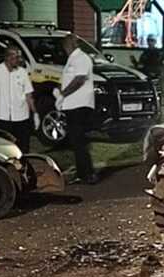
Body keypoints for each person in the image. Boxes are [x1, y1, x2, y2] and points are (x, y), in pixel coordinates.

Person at [54, 34, 98, 184]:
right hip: (71, 105)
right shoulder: (71, 60)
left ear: (71, 44)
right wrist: (59, 93)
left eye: (65, 45)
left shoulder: (81, 58)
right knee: (76, 141)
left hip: (80, 105)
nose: (64, 48)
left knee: (79, 140)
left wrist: (63, 94)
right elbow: (65, 80)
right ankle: (82, 173)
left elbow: (79, 80)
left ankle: (89, 174)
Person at [0, 47, 39, 153]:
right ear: (8, 57)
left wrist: (35, 113)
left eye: (19, 57)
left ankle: (23, 168)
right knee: (4, 148)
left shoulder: (22, 72)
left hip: (22, 118)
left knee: (23, 148)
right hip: (3, 118)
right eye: (16, 57)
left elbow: (28, 95)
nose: (19, 60)